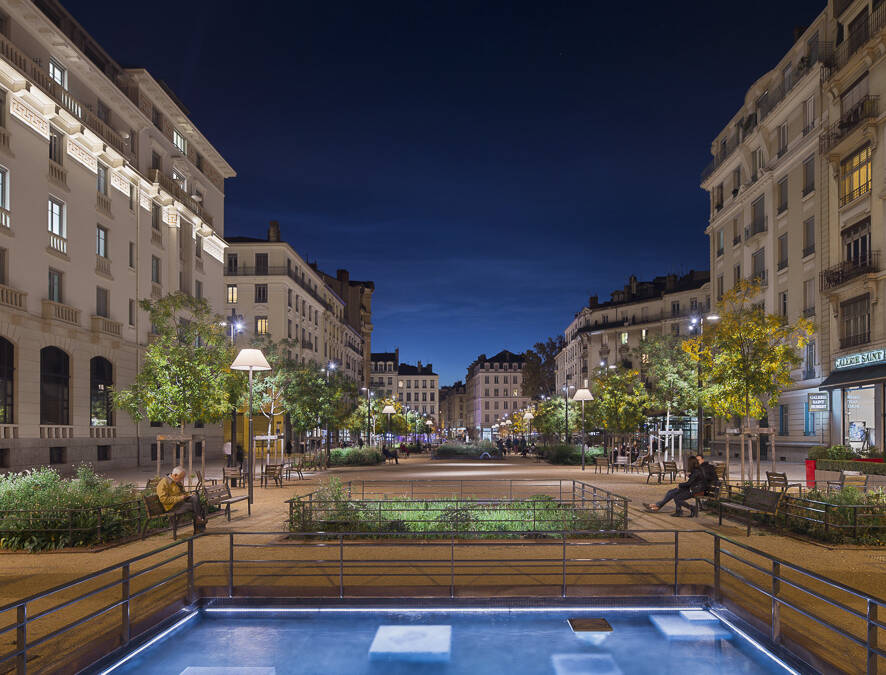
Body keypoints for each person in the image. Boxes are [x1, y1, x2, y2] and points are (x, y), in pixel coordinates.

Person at [157, 466, 205, 531]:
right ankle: (199, 526)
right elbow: (164, 499)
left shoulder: (177, 481)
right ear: (175, 475)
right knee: (196, 506)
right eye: (181, 477)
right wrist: (180, 498)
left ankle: (198, 520)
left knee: (195, 497)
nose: (181, 479)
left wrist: (188, 495)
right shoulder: (164, 483)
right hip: (172, 506)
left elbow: (183, 492)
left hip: (181, 502)